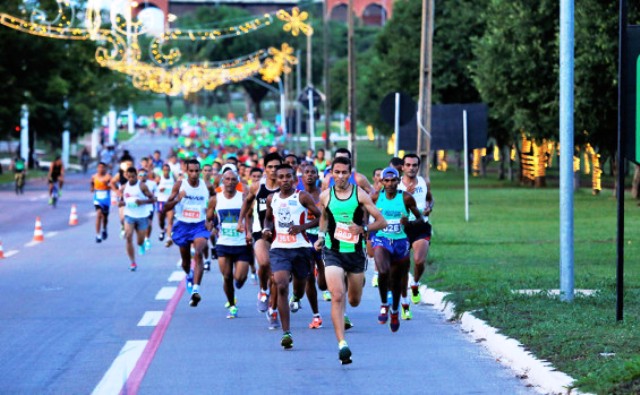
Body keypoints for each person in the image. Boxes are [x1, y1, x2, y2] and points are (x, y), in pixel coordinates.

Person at [314, 156, 387, 364]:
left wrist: (363, 229)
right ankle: (342, 344)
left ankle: (357, 280)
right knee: (337, 296)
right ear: (331, 174)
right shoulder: (326, 195)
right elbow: (324, 217)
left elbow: (381, 221)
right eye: (336, 172)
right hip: (332, 251)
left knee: (353, 300)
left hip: (355, 253)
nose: (340, 176)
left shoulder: (360, 195)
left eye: (344, 172)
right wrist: (320, 237)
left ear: (350, 173)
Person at [263, 164, 320, 349]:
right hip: (279, 248)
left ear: (294, 179)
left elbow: (321, 217)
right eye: (281, 177)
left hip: (302, 248)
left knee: (300, 285)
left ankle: (296, 296)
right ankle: (286, 332)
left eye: (288, 176)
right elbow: (269, 218)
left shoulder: (302, 196)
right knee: (280, 284)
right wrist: (266, 229)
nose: (285, 180)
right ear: (276, 179)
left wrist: (301, 228)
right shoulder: (272, 198)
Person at [371, 167, 422, 332]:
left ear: (398, 181)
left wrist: (408, 222)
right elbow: (363, 214)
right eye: (387, 180)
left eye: (393, 180)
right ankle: (384, 304)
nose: (390, 184)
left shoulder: (406, 198)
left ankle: (394, 311)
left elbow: (419, 218)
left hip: (400, 242)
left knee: (396, 281)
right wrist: (366, 232)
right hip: (381, 239)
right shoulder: (375, 197)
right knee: (383, 271)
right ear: (382, 182)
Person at [237, 152, 282, 329]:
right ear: (265, 169)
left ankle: (273, 311)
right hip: (259, 232)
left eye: (277, 167)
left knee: (277, 276)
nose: (273, 170)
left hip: (281, 234)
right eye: (270, 167)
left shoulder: (285, 187)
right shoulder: (257, 187)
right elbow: (247, 203)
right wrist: (241, 222)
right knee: (263, 263)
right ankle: (263, 291)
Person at [164, 159, 215, 307]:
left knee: (198, 252)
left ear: (200, 171)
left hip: (200, 225)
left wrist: (211, 219)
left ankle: (195, 290)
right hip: (183, 225)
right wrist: (178, 199)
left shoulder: (207, 186)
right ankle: (189, 275)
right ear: (187, 171)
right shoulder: (180, 185)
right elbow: (166, 207)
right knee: (186, 262)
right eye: (191, 171)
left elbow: (214, 203)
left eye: (196, 171)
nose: (194, 174)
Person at [397, 154, 434, 319]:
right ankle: (405, 304)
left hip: (420, 226)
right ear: (402, 167)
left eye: (414, 165)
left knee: (419, 261)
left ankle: (415, 284)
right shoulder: (394, 184)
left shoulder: (424, 182)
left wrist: (429, 207)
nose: (411, 168)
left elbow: (430, 198)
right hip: (401, 229)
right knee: (402, 269)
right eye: (408, 165)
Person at [212, 167, 251, 319]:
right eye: (227, 179)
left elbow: (249, 216)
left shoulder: (243, 197)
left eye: (233, 179)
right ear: (222, 181)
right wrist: (211, 225)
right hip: (223, 243)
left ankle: (238, 284)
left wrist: (248, 232)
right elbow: (209, 216)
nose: (229, 182)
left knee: (239, 278)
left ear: (237, 182)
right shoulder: (216, 198)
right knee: (227, 276)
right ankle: (232, 305)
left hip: (241, 243)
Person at [300, 164, 328, 328]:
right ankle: (316, 315)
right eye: (306, 172)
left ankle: (321, 271)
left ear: (318, 176)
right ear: (301, 176)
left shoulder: (323, 195)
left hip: (322, 236)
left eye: (313, 172)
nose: (310, 175)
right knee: (308, 275)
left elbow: (327, 217)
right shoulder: (298, 195)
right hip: (304, 238)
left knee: (323, 283)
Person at [119, 167, 155, 271]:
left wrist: (142, 202)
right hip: (129, 215)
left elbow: (153, 199)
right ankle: (132, 262)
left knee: (139, 241)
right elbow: (121, 201)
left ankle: (141, 244)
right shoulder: (123, 187)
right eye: (129, 177)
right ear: (126, 176)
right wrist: (121, 203)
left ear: (136, 175)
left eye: (133, 177)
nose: (131, 179)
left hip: (142, 216)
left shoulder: (142, 186)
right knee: (129, 236)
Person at [368, 167, 384, 288]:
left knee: (379, 250)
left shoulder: (388, 190)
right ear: (374, 177)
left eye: (381, 175)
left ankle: (376, 274)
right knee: (371, 253)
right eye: (377, 175)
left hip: (383, 226)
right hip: (371, 225)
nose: (379, 177)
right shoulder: (370, 191)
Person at [91, 162, 112, 243]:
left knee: (105, 217)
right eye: (99, 167)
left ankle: (104, 228)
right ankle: (98, 235)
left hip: (106, 199)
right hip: (97, 198)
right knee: (99, 214)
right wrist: (92, 188)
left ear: (105, 169)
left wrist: (108, 184)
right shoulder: (93, 177)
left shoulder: (108, 177)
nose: (101, 169)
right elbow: (92, 186)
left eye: (103, 167)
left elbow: (113, 185)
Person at [155, 163, 175, 246]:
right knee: (161, 220)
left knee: (170, 221)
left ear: (169, 170)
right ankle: (163, 230)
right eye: (164, 170)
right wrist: (159, 189)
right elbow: (154, 187)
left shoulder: (173, 177)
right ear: (162, 171)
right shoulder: (159, 178)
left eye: (167, 170)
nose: (166, 172)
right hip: (161, 201)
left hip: (170, 201)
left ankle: (168, 238)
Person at [139, 169, 157, 252]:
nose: (142, 177)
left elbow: (156, 195)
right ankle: (141, 242)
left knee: (149, 224)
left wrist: (154, 198)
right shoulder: (135, 185)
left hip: (149, 206)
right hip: (139, 207)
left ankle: (147, 239)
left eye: (144, 175)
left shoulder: (152, 184)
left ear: (147, 175)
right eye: (140, 175)